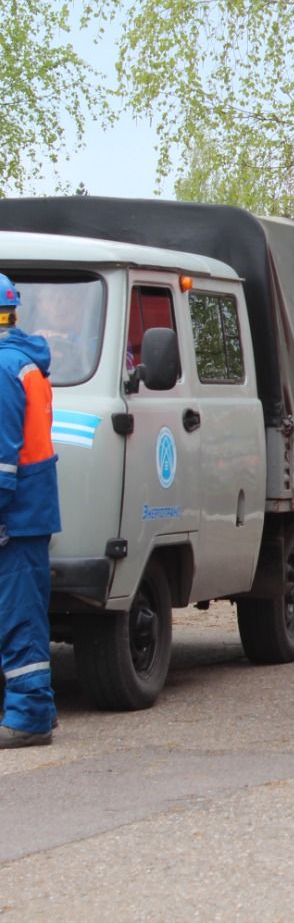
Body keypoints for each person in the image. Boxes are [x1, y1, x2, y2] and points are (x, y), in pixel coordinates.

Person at [0, 273, 62, 749]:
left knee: (19, 618)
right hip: (25, 513)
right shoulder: (23, 363)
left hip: (13, 516)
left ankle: (30, 716)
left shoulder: (4, 368)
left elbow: (3, 459)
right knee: (20, 616)